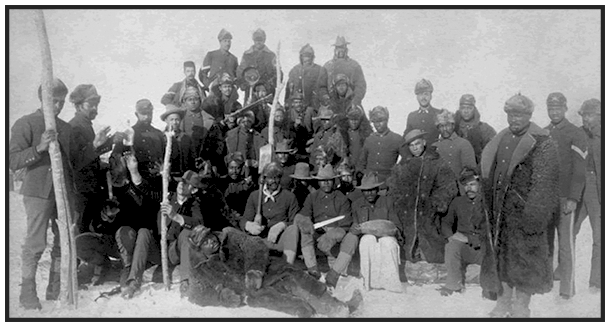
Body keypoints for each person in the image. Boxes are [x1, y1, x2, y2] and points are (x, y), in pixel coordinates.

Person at [479, 94, 559, 318]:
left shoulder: (542, 142)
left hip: (525, 212)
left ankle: (522, 305)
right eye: (511, 114)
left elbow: (545, 183)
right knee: (502, 255)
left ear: (529, 116)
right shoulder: (500, 139)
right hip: (500, 210)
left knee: (525, 258)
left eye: (520, 114)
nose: (515, 119)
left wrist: (534, 215)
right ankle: (503, 302)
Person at [185, 226, 362, 317]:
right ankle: (309, 312)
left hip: (266, 273)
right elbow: (196, 295)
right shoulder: (201, 268)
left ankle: (337, 308)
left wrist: (255, 269)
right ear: (200, 248)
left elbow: (255, 245)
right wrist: (222, 297)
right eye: (205, 242)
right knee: (286, 302)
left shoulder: (229, 235)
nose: (211, 242)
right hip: (250, 293)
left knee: (297, 279)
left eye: (210, 236)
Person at [9, 79, 74, 309]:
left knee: (63, 240)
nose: (58, 107)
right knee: (36, 242)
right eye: (53, 102)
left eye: (61, 102)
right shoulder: (26, 123)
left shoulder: (66, 128)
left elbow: (72, 163)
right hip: (37, 192)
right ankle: (27, 294)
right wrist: (38, 148)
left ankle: (56, 289)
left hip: (61, 194)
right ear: (43, 100)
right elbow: (12, 160)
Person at [78, 153, 162, 296]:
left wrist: (135, 175)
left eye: (118, 162)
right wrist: (106, 219)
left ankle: (130, 272)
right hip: (116, 243)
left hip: (136, 242)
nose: (113, 166)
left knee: (129, 232)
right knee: (80, 243)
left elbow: (149, 204)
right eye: (111, 162)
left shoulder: (138, 186)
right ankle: (104, 265)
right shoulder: (104, 188)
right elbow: (94, 224)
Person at [387, 129, 457, 284]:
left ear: (424, 142)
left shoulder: (437, 162)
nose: (415, 148)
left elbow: (448, 186)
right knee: (408, 246)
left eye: (417, 144)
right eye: (411, 145)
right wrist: (400, 203)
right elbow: (393, 187)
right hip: (408, 213)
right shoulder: (403, 165)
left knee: (431, 248)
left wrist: (436, 203)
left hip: (429, 213)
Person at [543, 92, 588, 299]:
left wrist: (573, 198)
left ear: (565, 108)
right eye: (551, 109)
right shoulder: (543, 133)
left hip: (565, 199)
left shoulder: (575, 133)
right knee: (547, 242)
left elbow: (580, 170)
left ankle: (567, 290)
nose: (554, 112)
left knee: (566, 244)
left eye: (558, 108)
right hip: (547, 199)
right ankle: (545, 285)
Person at [293, 164, 357, 288]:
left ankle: (334, 274)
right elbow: (304, 214)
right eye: (323, 181)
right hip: (317, 232)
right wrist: (305, 221)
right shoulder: (312, 197)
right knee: (305, 232)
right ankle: (313, 270)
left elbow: (346, 224)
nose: (326, 183)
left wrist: (333, 234)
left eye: (329, 180)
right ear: (318, 182)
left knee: (352, 238)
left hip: (336, 233)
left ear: (334, 181)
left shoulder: (342, 199)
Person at [69, 84, 116, 234]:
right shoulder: (74, 128)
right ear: (78, 106)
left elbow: (91, 154)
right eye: (91, 104)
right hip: (80, 192)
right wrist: (97, 145)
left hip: (90, 190)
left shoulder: (85, 125)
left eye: (96, 104)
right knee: (80, 231)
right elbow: (77, 162)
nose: (95, 108)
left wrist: (111, 142)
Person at [350, 172, 403, 293]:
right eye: (366, 191)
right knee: (367, 240)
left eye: (372, 190)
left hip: (387, 236)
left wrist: (389, 231)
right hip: (368, 237)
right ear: (362, 191)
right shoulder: (357, 205)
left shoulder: (387, 201)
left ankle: (391, 284)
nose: (369, 193)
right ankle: (367, 282)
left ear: (378, 189)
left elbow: (396, 225)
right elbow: (355, 225)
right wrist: (354, 230)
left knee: (388, 242)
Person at [437, 167, 486, 296]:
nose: (468, 188)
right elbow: (446, 223)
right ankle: (453, 285)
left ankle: (490, 288)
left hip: (484, 247)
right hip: (465, 248)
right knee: (452, 246)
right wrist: (452, 235)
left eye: (472, 184)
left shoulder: (488, 202)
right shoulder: (458, 202)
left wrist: (471, 239)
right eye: (465, 185)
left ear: (480, 184)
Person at [241, 162, 300, 264]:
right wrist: (248, 225)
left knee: (293, 229)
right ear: (263, 179)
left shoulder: (289, 197)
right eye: (270, 178)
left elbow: (295, 222)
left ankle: (288, 267)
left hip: (279, 243)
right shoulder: (254, 196)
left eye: (277, 177)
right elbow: (244, 220)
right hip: (259, 242)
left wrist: (282, 225)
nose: (274, 181)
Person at [573, 98, 601, 292]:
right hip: (577, 186)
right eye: (583, 115)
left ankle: (597, 281)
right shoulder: (577, 134)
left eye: (589, 115)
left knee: (600, 236)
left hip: (598, 189)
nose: (585, 119)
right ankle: (565, 277)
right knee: (568, 231)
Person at [113, 99, 165, 179]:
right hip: (136, 179)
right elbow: (116, 156)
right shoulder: (129, 133)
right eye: (143, 114)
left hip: (157, 179)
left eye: (149, 114)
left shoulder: (158, 134)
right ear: (136, 114)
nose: (147, 117)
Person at [357, 106, 403, 182]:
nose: (378, 124)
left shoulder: (397, 139)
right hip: (369, 183)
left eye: (381, 121)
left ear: (387, 120)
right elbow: (362, 162)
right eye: (375, 121)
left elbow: (406, 159)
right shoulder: (369, 140)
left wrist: (396, 171)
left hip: (387, 182)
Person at [236, 28, 279, 102]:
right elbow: (241, 71)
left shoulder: (271, 55)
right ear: (253, 40)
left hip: (267, 90)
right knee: (250, 111)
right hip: (251, 90)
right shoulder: (247, 55)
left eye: (260, 40)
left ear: (264, 40)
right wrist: (245, 84)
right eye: (256, 40)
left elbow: (277, 73)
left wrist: (269, 85)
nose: (258, 42)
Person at [432, 109, 476, 178]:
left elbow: (470, 170)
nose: (445, 129)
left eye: (447, 125)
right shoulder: (434, 146)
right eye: (441, 126)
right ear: (438, 128)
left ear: (453, 126)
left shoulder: (463, 144)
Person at [323, 36, 366, 107]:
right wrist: (326, 99)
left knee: (358, 115)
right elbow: (321, 86)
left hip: (350, 102)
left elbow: (360, 86)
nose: (340, 50)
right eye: (338, 48)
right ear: (335, 49)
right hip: (331, 103)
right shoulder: (327, 66)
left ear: (346, 49)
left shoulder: (354, 66)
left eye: (342, 48)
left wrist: (355, 100)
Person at [225, 110, 268, 181]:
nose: (245, 124)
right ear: (239, 122)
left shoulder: (258, 136)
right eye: (243, 122)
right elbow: (227, 155)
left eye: (248, 122)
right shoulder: (231, 135)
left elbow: (264, 155)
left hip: (253, 173)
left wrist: (257, 162)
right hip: (236, 173)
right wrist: (244, 162)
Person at [285, 44, 329, 111]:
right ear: (301, 57)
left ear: (313, 57)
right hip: (296, 107)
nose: (307, 59)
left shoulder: (320, 70)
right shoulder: (294, 71)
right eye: (305, 56)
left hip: (313, 106)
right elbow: (289, 90)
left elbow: (323, 88)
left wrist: (325, 99)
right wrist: (287, 103)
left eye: (309, 56)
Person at [454, 94, 496, 164]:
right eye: (463, 108)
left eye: (469, 108)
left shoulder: (484, 129)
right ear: (459, 109)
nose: (466, 111)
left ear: (474, 109)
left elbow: (490, 152)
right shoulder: (453, 127)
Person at [198, 28, 239, 96]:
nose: (227, 43)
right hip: (214, 90)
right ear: (220, 42)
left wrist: (235, 87)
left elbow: (237, 77)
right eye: (225, 41)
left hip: (229, 91)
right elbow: (202, 74)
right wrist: (209, 85)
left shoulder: (234, 59)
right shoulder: (211, 55)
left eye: (229, 41)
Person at [403, 79, 442, 146]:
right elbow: (406, 137)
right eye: (421, 94)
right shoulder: (412, 116)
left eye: (426, 94)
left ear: (431, 96)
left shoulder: (438, 114)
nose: (423, 97)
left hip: (435, 153)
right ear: (417, 97)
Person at [161, 104, 195, 178]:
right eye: (171, 120)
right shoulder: (162, 138)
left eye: (177, 119)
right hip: (168, 177)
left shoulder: (186, 138)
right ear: (166, 121)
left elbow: (192, 159)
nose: (174, 122)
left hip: (184, 177)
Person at [219, 152, 255, 220]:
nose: (234, 171)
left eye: (237, 168)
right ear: (227, 168)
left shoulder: (246, 183)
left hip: (243, 217)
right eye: (231, 168)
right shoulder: (222, 182)